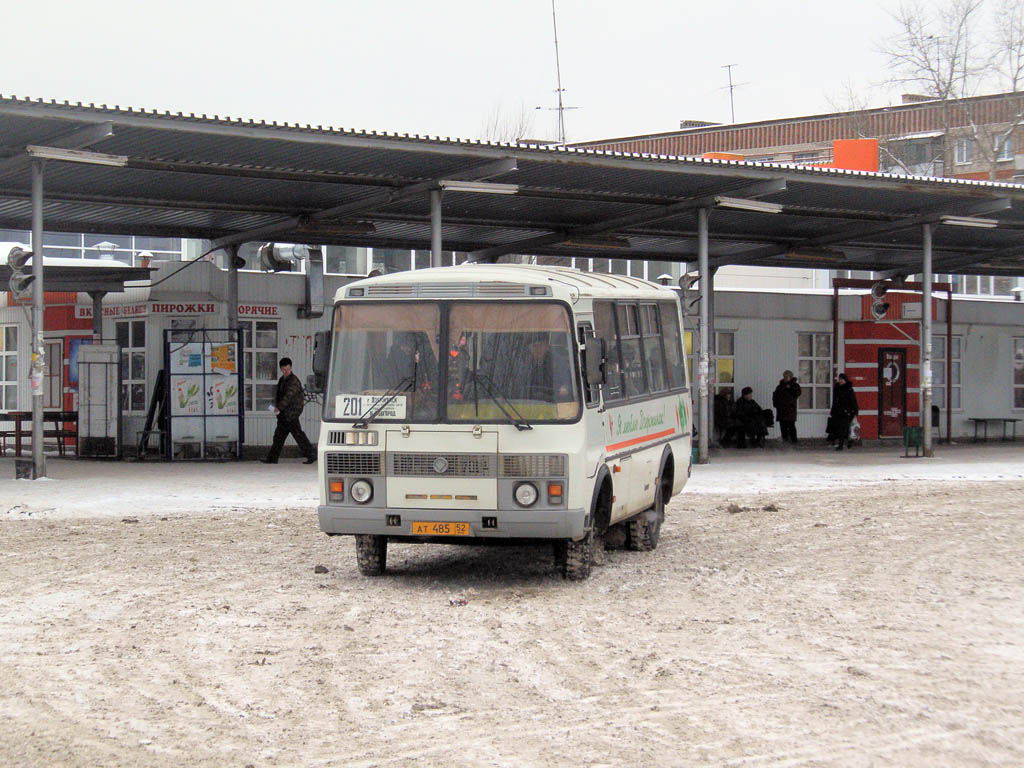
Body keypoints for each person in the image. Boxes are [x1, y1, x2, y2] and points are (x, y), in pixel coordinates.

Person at [261, 357, 316, 464]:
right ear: (281, 369)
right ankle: (272, 458)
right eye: (284, 369)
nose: (286, 371)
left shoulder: (293, 381)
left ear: (290, 368)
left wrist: (278, 408)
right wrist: (277, 407)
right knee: (279, 436)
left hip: (291, 414)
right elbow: (279, 396)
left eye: (288, 369)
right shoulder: (282, 380)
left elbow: (288, 397)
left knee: (296, 435)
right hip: (284, 414)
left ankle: (311, 454)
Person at [524, 335, 570, 402]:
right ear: (529, 348)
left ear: (546, 346)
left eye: (540, 345)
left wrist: (565, 388)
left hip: (554, 402)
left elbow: (567, 381)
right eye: (534, 346)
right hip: (527, 403)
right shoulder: (523, 363)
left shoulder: (557, 362)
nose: (538, 349)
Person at [829, 373, 859, 451]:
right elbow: (835, 401)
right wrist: (833, 410)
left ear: (845, 380)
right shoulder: (837, 389)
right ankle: (842, 444)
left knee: (845, 429)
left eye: (842, 379)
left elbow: (853, 401)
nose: (841, 381)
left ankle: (845, 444)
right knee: (839, 429)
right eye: (839, 379)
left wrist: (855, 411)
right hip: (838, 412)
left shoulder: (849, 389)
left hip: (847, 412)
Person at [772, 370, 802, 444]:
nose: (785, 378)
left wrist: (790, 388)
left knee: (791, 425)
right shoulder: (780, 386)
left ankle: (794, 440)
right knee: (783, 425)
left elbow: (797, 393)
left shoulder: (794, 385)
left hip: (790, 409)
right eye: (784, 376)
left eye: (787, 376)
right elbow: (775, 395)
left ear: (790, 377)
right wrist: (776, 404)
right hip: (781, 409)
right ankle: (785, 439)